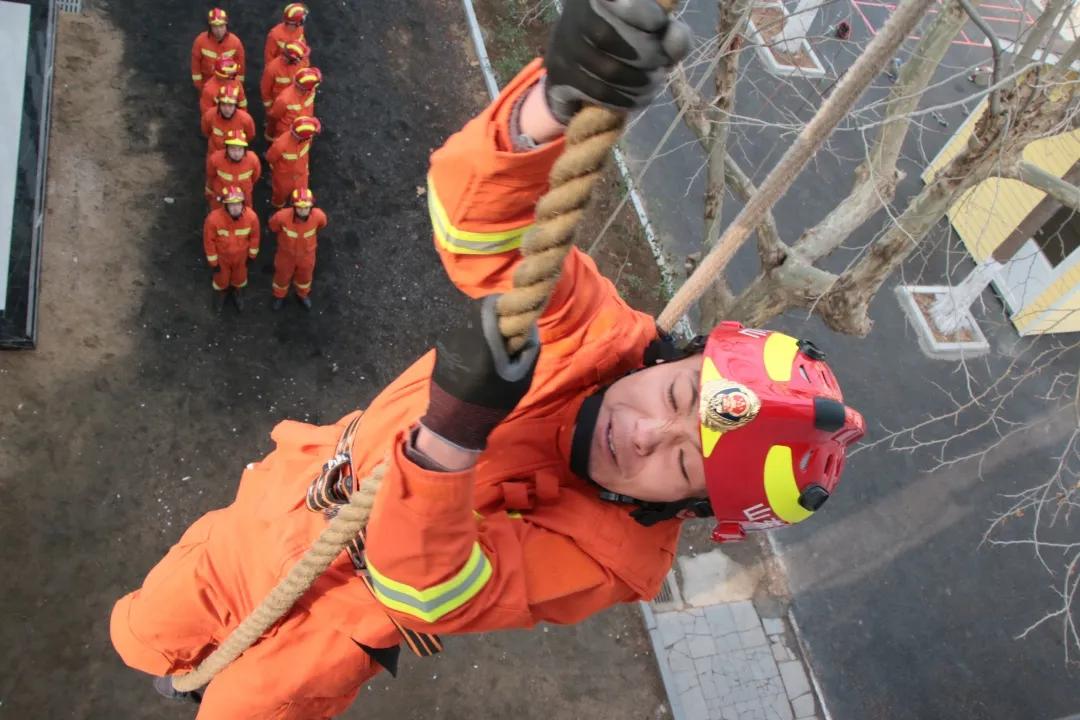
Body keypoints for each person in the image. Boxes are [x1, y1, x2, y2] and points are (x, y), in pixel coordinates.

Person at [110, 2, 864, 718]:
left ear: (690, 511)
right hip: (291, 502)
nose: (643, 434)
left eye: (683, 464)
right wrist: (550, 106)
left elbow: (428, 592)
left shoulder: (613, 560)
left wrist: (452, 439)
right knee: (141, 632)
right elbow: (478, 228)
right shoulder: (591, 332)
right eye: (673, 399)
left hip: (330, 630)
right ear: (670, 356)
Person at [202, 185, 260, 312]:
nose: (235, 208)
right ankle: (221, 294)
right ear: (225, 205)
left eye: (238, 204)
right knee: (221, 280)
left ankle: (236, 291)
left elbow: (255, 238)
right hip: (222, 258)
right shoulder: (213, 219)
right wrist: (213, 262)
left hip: (241, 257)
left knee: (240, 278)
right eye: (231, 205)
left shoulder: (251, 218)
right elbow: (209, 241)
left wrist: (252, 256)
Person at [269, 187, 327, 311]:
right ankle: (279, 296)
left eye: (306, 207)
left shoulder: (319, 216)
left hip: (307, 255)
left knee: (305, 277)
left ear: (311, 207)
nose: (302, 211)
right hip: (286, 255)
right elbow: (273, 226)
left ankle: (302, 294)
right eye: (299, 207)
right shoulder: (281, 217)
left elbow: (322, 225)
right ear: (294, 206)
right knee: (282, 277)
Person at [265, 116, 320, 209]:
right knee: (279, 196)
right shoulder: (281, 144)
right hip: (283, 179)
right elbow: (270, 157)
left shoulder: (307, 138)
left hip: (302, 175)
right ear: (304, 138)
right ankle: (277, 209)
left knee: (301, 197)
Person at [190, 8, 245, 91]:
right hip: (207, 84)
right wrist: (199, 85)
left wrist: (237, 86)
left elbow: (240, 67)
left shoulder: (235, 42)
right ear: (210, 27)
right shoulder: (200, 41)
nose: (219, 30)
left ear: (226, 25)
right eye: (215, 26)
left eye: (221, 26)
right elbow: (195, 64)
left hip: (228, 85)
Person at [205, 130, 261, 210]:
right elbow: (211, 175)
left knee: (246, 211)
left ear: (245, 150)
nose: (236, 154)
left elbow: (255, 177)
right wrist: (210, 191)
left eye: (240, 149)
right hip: (221, 193)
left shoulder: (253, 160)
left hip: (244, 194)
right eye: (233, 149)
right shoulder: (215, 159)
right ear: (226, 148)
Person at [201, 84, 256, 158]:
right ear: (219, 105)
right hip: (215, 152)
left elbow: (250, 135)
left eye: (230, 105)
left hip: (236, 154)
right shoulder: (209, 115)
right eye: (223, 105)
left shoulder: (246, 119)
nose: (227, 109)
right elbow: (206, 131)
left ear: (235, 105)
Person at [266, 66, 320, 140]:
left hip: (304, 128)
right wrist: (270, 133)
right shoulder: (284, 99)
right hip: (285, 133)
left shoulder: (311, 90)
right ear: (306, 89)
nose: (314, 88)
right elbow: (274, 116)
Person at [260, 40, 310, 115]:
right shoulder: (272, 68)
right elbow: (265, 90)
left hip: (294, 103)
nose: (299, 61)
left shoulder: (303, 62)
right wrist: (269, 108)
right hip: (278, 103)